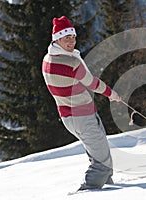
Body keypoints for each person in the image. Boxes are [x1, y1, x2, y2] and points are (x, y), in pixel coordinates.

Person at [42, 16, 121, 191]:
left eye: (73, 37)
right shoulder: (71, 62)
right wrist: (111, 93)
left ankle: (110, 190)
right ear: (57, 40)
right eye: (66, 38)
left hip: (70, 116)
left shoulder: (48, 59)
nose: (71, 42)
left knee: (100, 153)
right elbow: (92, 83)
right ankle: (89, 191)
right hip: (82, 116)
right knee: (102, 163)